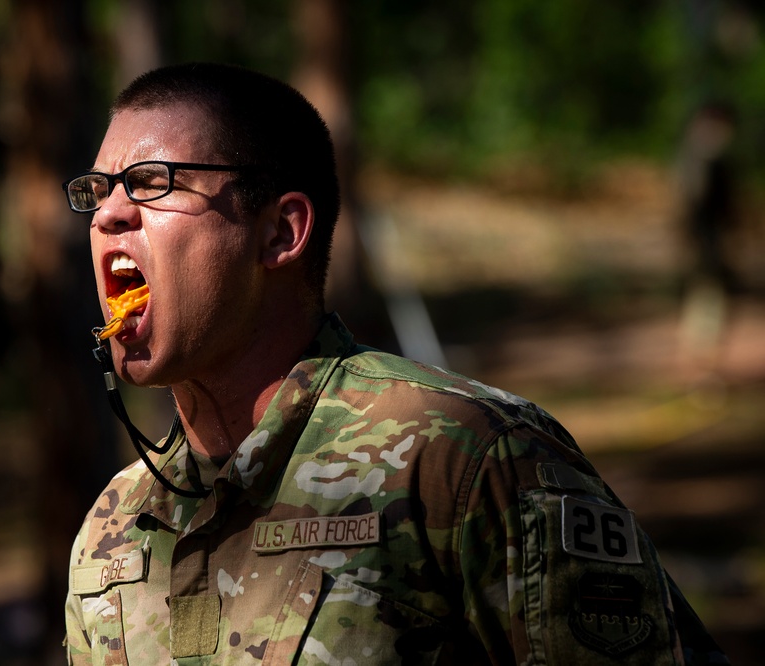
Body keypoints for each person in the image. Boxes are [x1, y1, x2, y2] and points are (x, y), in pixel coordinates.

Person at [62, 63, 728, 665]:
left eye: (151, 184)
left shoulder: (464, 459)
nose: (110, 215)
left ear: (280, 233)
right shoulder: (112, 531)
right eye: (97, 191)